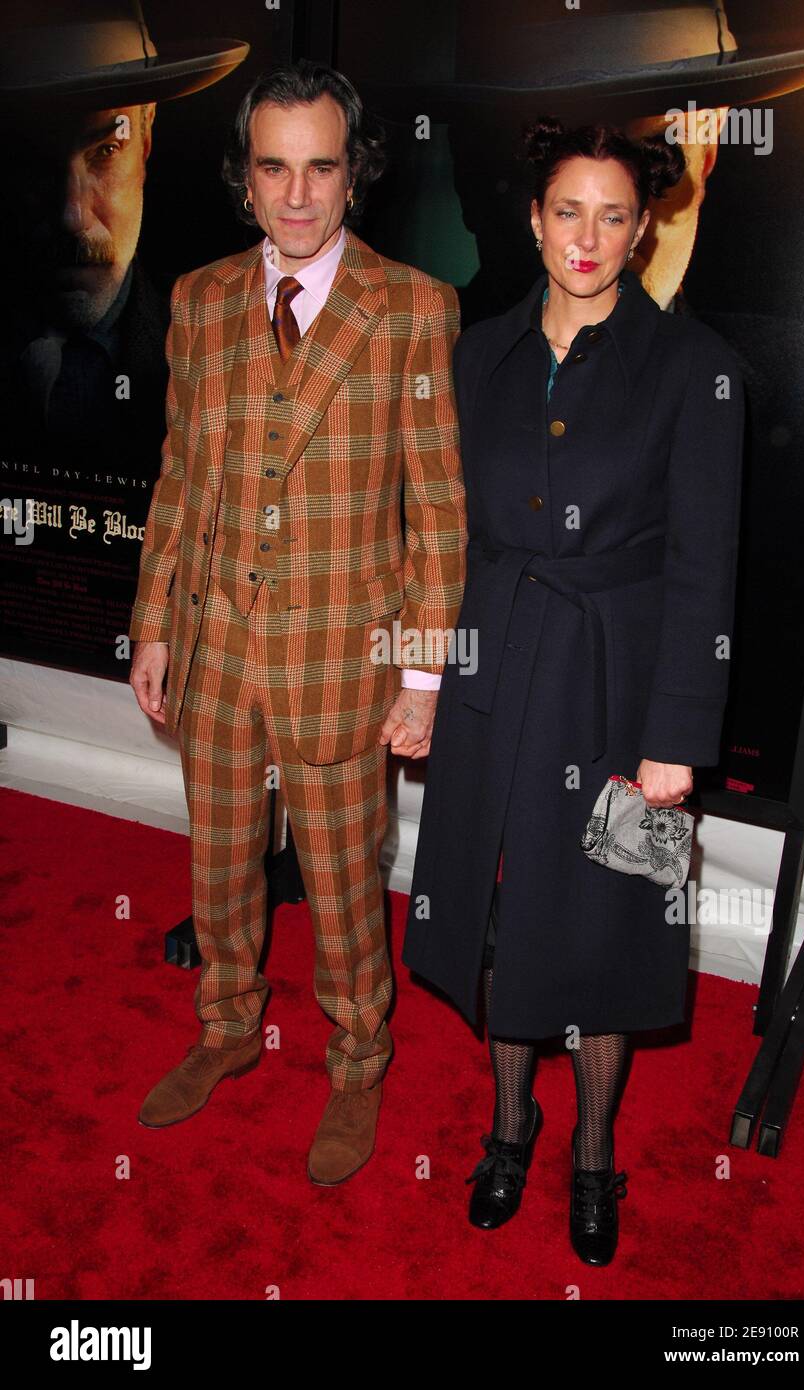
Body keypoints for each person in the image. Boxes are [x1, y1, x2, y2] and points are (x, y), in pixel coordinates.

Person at [402, 121, 745, 1263]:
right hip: (496, 675)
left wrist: (674, 743)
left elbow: (706, 571)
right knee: (504, 924)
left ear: (644, 227)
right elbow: (442, 538)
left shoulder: (694, 369)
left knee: (601, 937)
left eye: (612, 215)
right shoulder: (478, 352)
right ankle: (511, 1123)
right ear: (533, 219)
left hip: (619, 692)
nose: (587, 238)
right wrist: (420, 676)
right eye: (566, 211)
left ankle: (594, 1150)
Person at [128, 60, 466, 1185]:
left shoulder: (413, 307)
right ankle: (227, 1025)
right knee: (219, 864)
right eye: (275, 167)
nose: (299, 193)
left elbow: (441, 513)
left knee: (342, 884)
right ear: (245, 177)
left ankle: (359, 1059)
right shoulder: (197, 300)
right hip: (218, 646)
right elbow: (179, 475)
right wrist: (157, 625)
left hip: (341, 658)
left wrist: (419, 677)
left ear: (355, 172)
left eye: (322, 166)